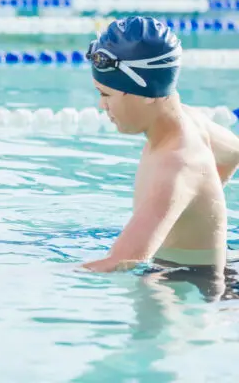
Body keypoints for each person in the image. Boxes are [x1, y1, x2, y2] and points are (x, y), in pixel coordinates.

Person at [81, 16, 239, 299]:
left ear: (146, 93)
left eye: (106, 94)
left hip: (185, 287)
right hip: (200, 274)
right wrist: (190, 206)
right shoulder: (189, 121)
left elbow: (120, 262)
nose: (101, 105)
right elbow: (235, 152)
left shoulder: (177, 165)